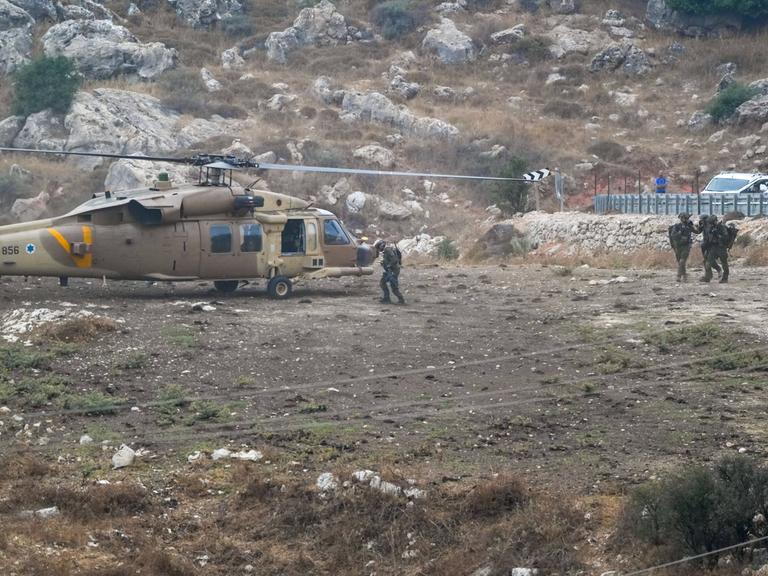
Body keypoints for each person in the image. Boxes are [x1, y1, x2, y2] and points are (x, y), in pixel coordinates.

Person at [374, 239, 405, 304]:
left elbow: (394, 260)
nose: (379, 250)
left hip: (393, 271)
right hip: (390, 270)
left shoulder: (388, 250)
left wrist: (388, 265)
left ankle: (401, 299)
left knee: (393, 286)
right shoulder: (386, 251)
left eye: (379, 248)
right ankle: (386, 298)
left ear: (381, 246)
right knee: (382, 283)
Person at [668, 213, 695, 282]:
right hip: (678, 246)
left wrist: (694, 225)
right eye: (685, 218)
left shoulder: (689, 226)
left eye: (687, 218)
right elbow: (673, 235)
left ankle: (678, 276)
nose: (686, 220)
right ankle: (684, 276)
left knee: (682, 261)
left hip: (686, 246)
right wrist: (680, 235)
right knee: (680, 262)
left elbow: (697, 231)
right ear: (682, 219)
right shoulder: (677, 226)